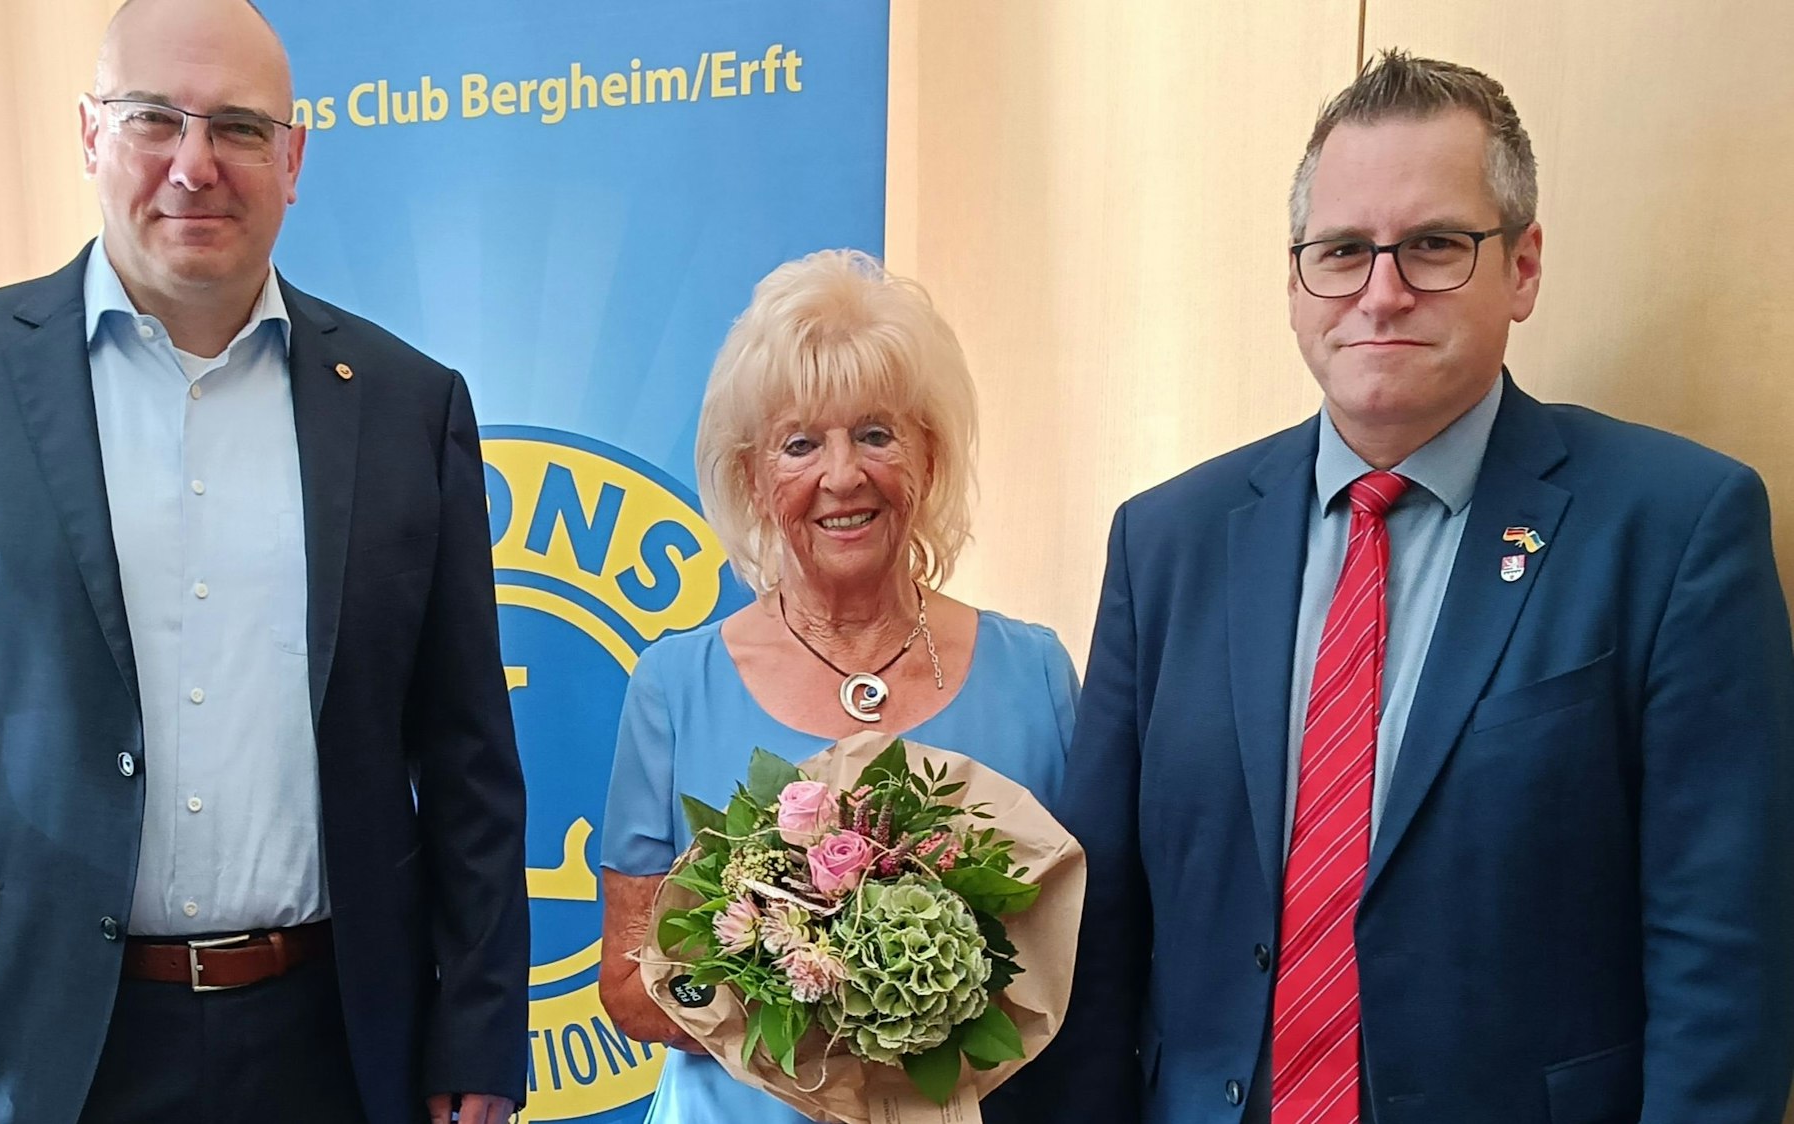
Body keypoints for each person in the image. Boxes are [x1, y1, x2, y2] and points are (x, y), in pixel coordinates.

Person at [0, 2, 528, 1122]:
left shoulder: (409, 407)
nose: (195, 165)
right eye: (153, 119)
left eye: (237, 127)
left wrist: (477, 1032)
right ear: (91, 135)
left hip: (339, 1046)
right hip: (33, 1055)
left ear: (293, 159)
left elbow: (468, 754)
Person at [1035, 50, 1794, 1123]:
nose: (1380, 293)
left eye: (1434, 245)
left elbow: (1722, 959)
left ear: (1521, 267)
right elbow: (1097, 930)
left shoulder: (1672, 528)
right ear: (1294, 279)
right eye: (1342, 250)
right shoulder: (1166, 542)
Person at [595, 249, 1079, 1124]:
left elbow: (1094, 950)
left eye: (876, 434)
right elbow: (631, 985)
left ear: (927, 453)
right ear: (751, 477)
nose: (843, 475)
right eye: (799, 444)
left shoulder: (1035, 674)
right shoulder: (673, 687)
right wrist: (828, 992)